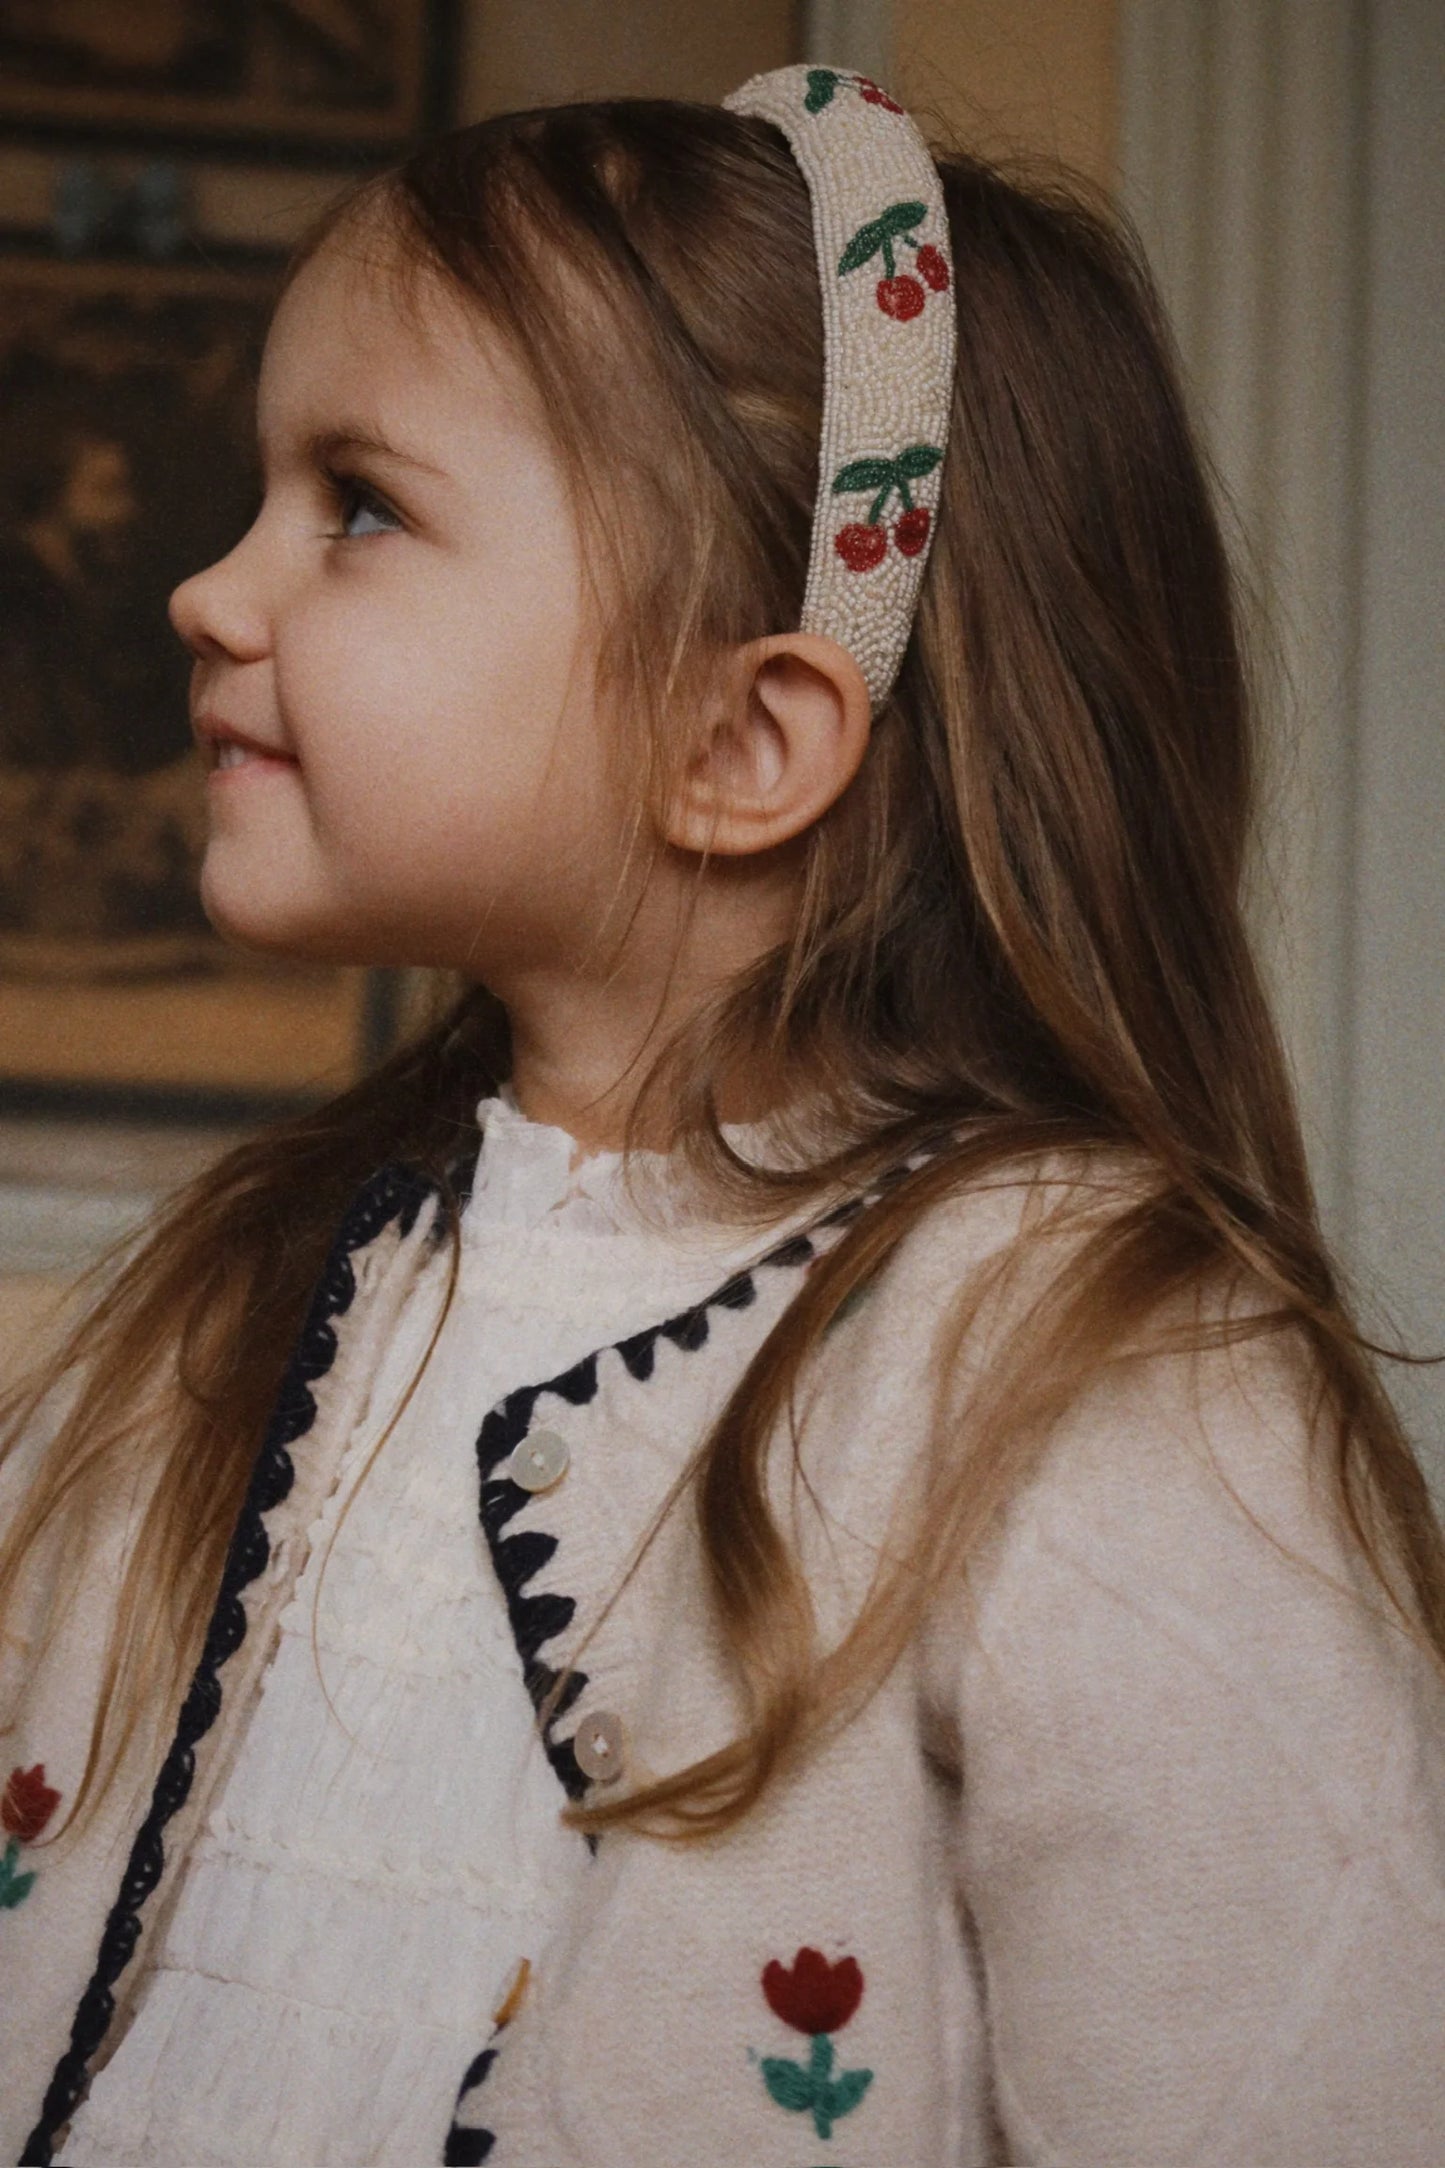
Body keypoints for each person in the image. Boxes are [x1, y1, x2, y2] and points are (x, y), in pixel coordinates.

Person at [0, 63, 1441, 2168]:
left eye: (361, 505)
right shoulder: (226, 1299)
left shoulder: (1099, 1382)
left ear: (743, 734)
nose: (213, 591)